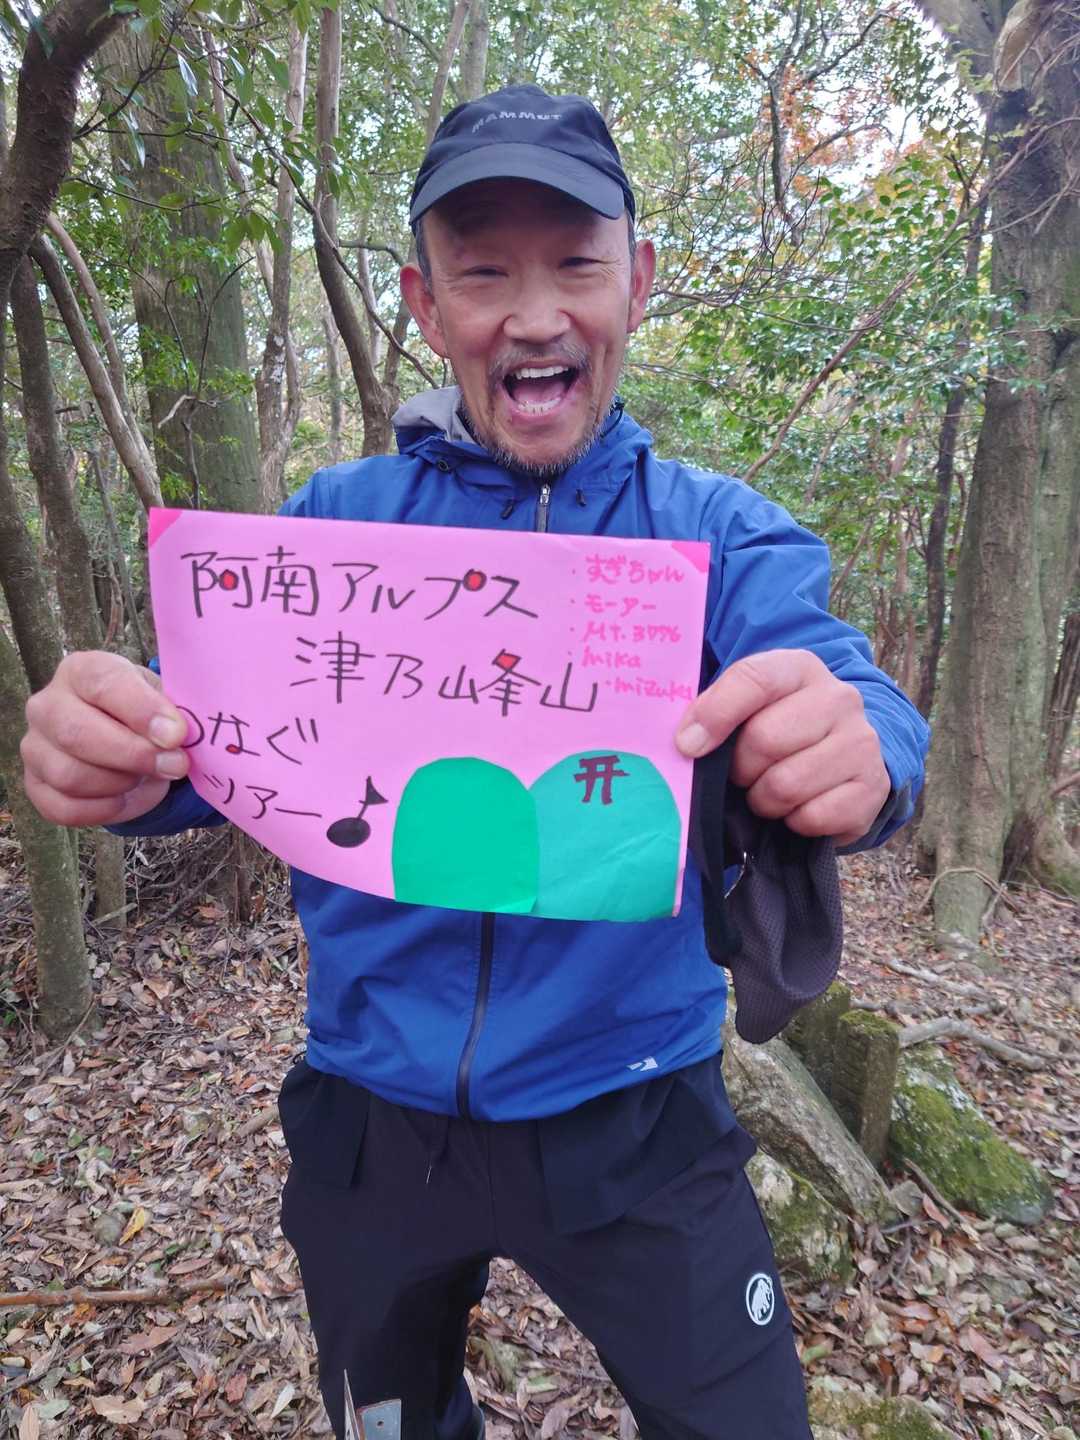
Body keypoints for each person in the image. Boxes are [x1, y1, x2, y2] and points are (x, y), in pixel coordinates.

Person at [21, 85, 929, 1440]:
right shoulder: (336, 532)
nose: (535, 314)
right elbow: (206, 739)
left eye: (576, 264)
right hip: (374, 1113)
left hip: (639, 1113)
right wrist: (110, 756)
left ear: (639, 283)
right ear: (426, 305)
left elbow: (858, 697)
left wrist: (868, 747)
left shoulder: (718, 539)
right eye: (485, 272)